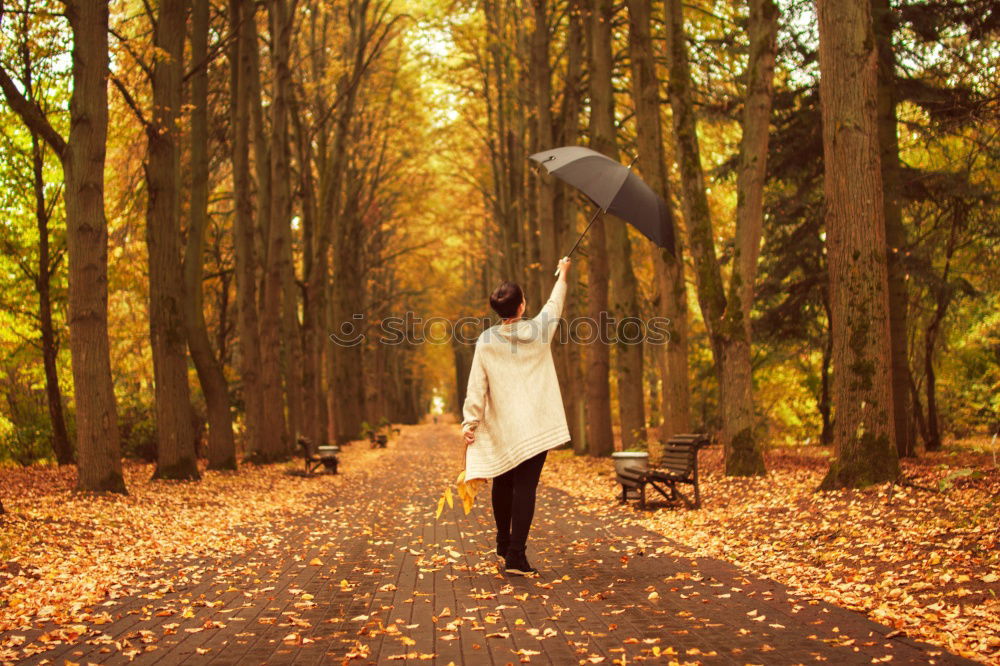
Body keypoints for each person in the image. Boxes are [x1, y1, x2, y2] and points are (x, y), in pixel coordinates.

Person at [462, 257, 572, 576]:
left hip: (503, 428)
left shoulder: (486, 342)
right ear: (522, 306)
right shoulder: (539, 331)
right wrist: (563, 272)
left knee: (503, 481)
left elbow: (476, 387)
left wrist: (470, 423)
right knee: (525, 487)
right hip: (534, 426)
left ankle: (503, 541)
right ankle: (516, 556)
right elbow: (555, 303)